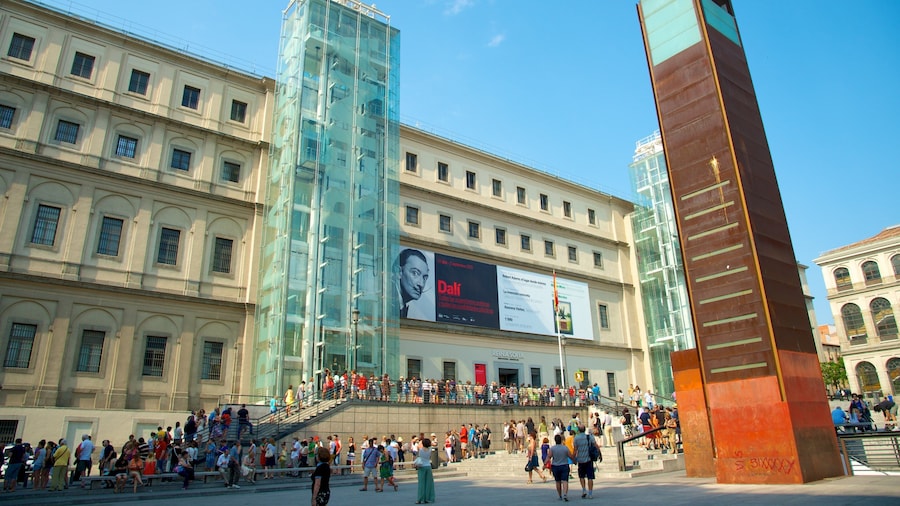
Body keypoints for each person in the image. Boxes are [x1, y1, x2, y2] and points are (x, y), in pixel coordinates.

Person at [396, 248, 431, 318]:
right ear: (399, 272)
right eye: (415, 273)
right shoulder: (385, 301)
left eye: (424, 278)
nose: (421, 284)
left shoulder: (400, 305)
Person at [573, 425, 597, 499]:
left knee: (581, 476)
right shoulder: (590, 437)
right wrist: (599, 453)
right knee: (590, 477)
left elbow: (575, 449)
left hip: (580, 459)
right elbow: (595, 445)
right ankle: (590, 493)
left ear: (579, 430)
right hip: (589, 459)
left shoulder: (576, 438)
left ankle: (584, 490)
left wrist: (574, 458)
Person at [548, 433, 573, 501]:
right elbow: (570, 456)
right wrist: (574, 460)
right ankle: (565, 494)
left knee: (558, 481)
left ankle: (559, 495)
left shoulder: (553, 448)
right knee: (565, 481)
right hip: (564, 465)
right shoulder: (565, 448)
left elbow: (549, 456)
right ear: (561, 440)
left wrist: (545, 464)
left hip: (555, 466)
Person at [413, 438, 435, 504]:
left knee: (421, 483)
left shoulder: (421, 450)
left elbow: (418, 456)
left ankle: (420, 499)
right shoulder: (430, 450)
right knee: (428, 483)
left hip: (422, 466)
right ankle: (427, 498)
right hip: (428, 466)